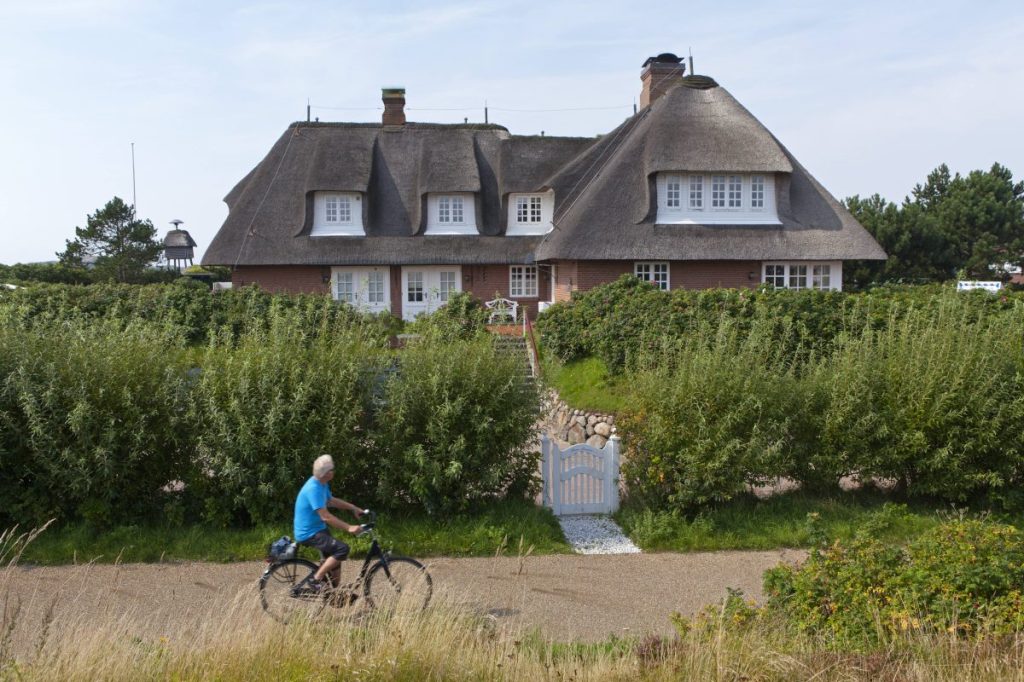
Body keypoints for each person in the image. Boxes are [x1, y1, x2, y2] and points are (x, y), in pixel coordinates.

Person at [293, 454, 364, 591]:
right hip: (308, 533)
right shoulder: (313, 489)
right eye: (331, 469)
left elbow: (331, 501)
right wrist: (349, 527)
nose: (333, 471)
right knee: (342, 549)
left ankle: (332, 593)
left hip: (318, 529)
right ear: (326, 474)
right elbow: (326, 517)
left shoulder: (321, 483)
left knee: (335, 562)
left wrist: (353, 508)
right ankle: (315, 579)